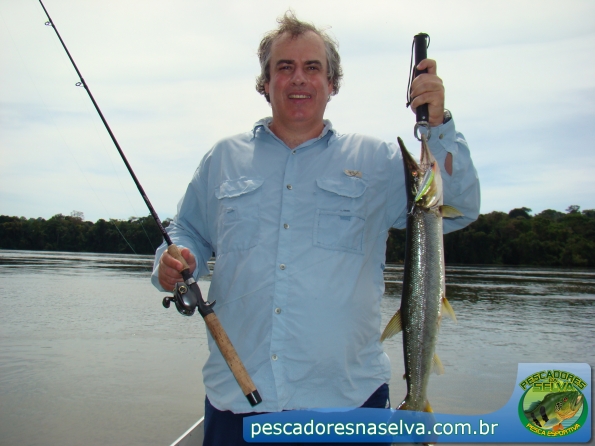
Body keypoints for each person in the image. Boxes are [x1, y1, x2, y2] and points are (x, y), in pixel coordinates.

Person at [152, 11, 480, 445]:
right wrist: (173, 260)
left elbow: (459, 208)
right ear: (265, 82)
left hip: (348, 404)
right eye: (284, 67)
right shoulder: (222, 159)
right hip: (236, 403)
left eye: (312, 68)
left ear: (331, 83)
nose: (298, 79)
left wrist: (437, 126)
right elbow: (186, 230)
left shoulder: (377, 162)